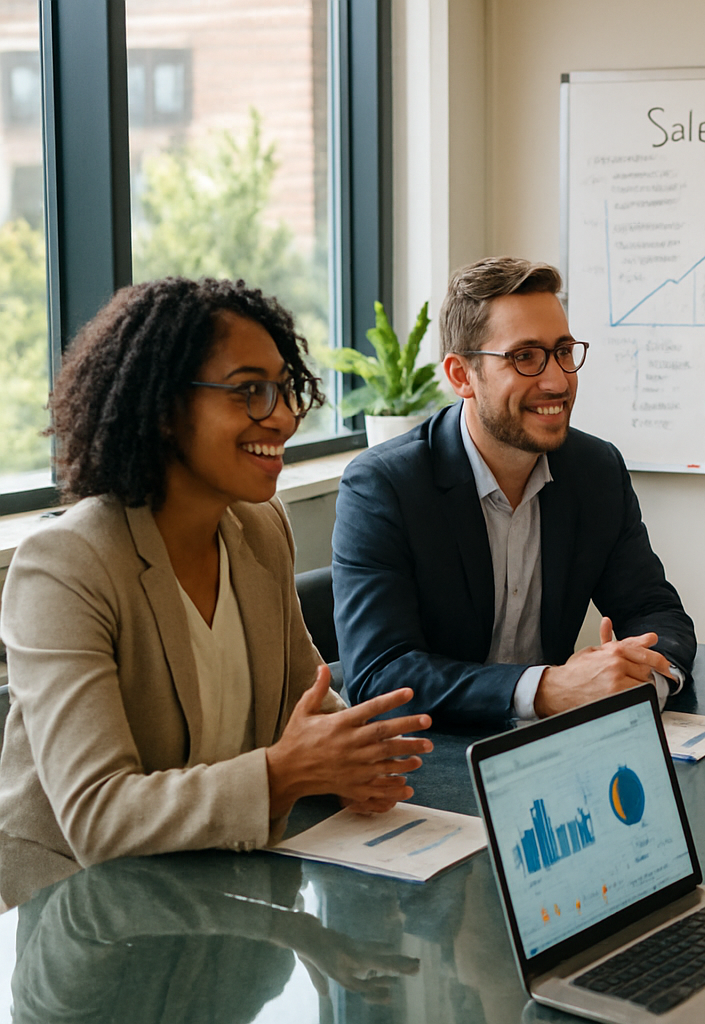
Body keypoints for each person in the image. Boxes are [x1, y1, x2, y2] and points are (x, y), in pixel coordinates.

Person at [0, 278, 432, 870]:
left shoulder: (259, 526)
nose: (281, 418)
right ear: (162, 411)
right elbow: (96, 816)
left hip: (217, 878)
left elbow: (302, 698)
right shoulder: (66, 566)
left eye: (284, 389)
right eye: (249, 391)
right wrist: (285, 773)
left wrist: (359, 759)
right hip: (86, 912)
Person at [332, 257, 695, 729]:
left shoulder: (595, 470)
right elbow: (381, 675)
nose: (557, 380)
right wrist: (545, 689)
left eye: (563, 351)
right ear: (461, 375)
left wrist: (643, 680)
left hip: (549, 749)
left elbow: (655, 611)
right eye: (525, 357)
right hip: (429, 761)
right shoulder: (383, 486)